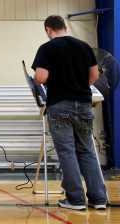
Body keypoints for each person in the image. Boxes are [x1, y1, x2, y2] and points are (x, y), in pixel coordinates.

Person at [32, 15, 107, 211]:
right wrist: (78, 86)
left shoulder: (47, 49)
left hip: (59, 105)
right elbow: (94, 76)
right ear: (64, 27)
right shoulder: (84, 46)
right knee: (87, 150)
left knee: (67, 152)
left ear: (49, 30)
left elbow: (41, 77)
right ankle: (98, 198)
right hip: (83, 104)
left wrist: (37, 78)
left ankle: (75, 199)